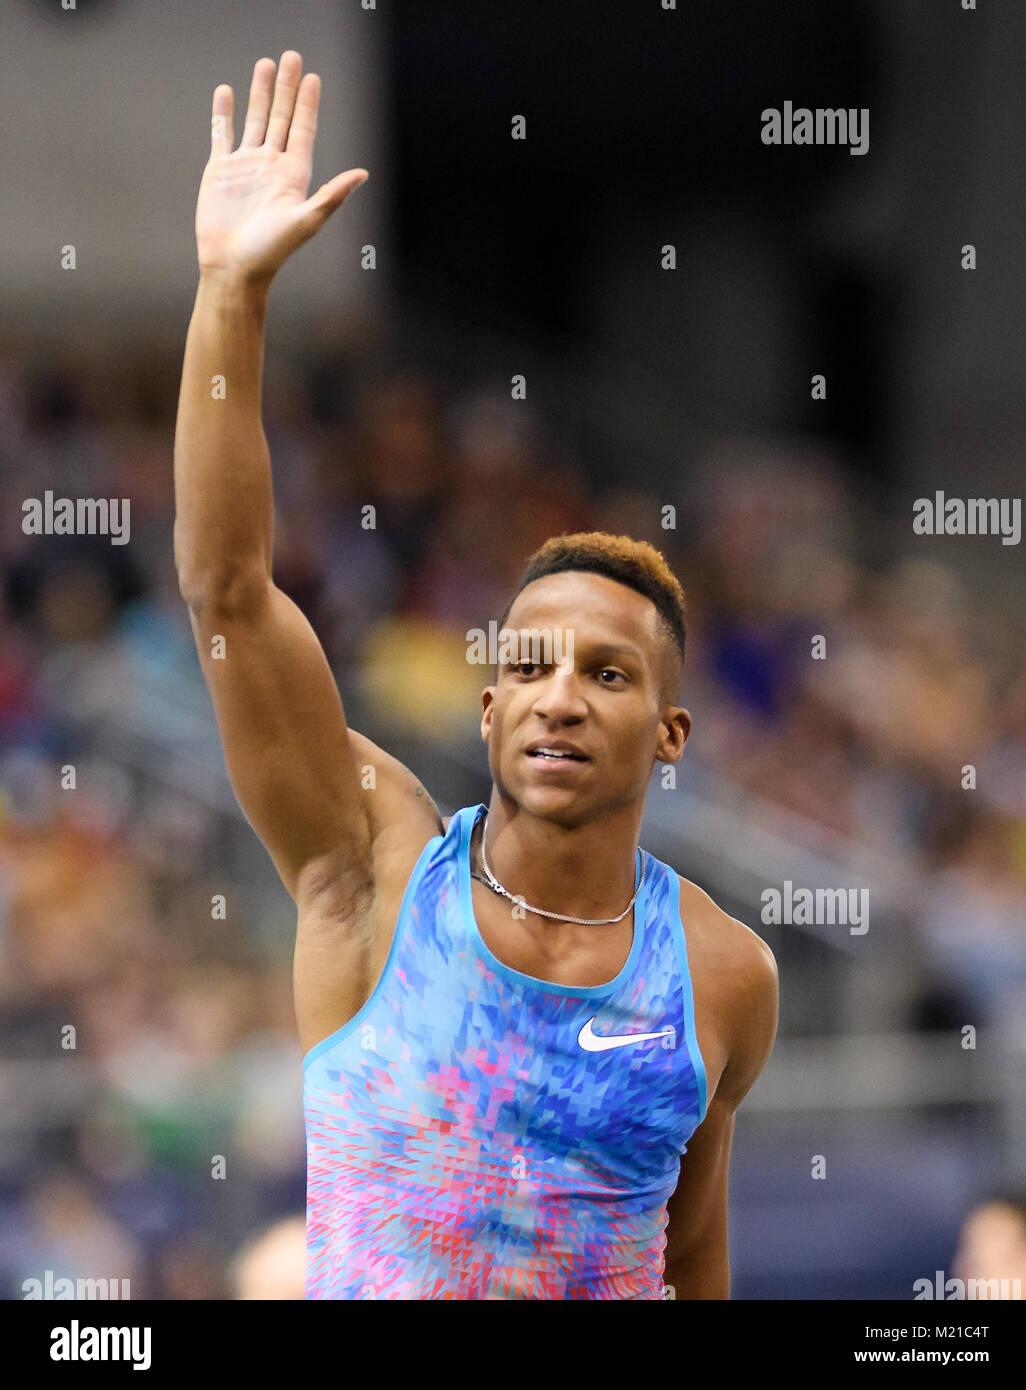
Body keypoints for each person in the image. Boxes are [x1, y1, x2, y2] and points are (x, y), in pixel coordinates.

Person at [174, 50, 778, 1300]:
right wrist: (230, 294)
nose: (562, 694)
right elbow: (231, 589)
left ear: (669, 732)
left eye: (608, 675)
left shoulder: (722, 973)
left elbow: (693, 1257)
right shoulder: (371, 865)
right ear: (489, 703)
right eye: (531, 666)